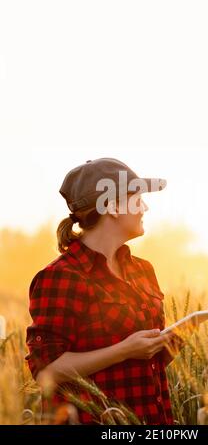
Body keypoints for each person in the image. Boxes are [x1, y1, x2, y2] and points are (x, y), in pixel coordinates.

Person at [25, 157, 183, 425]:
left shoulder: (142, 271)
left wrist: (165, 345)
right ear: (112, 206)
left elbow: (143, 365)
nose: (145, 207)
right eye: (137, 199)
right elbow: (46, 371)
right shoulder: (62, 277)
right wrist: (124, 350)